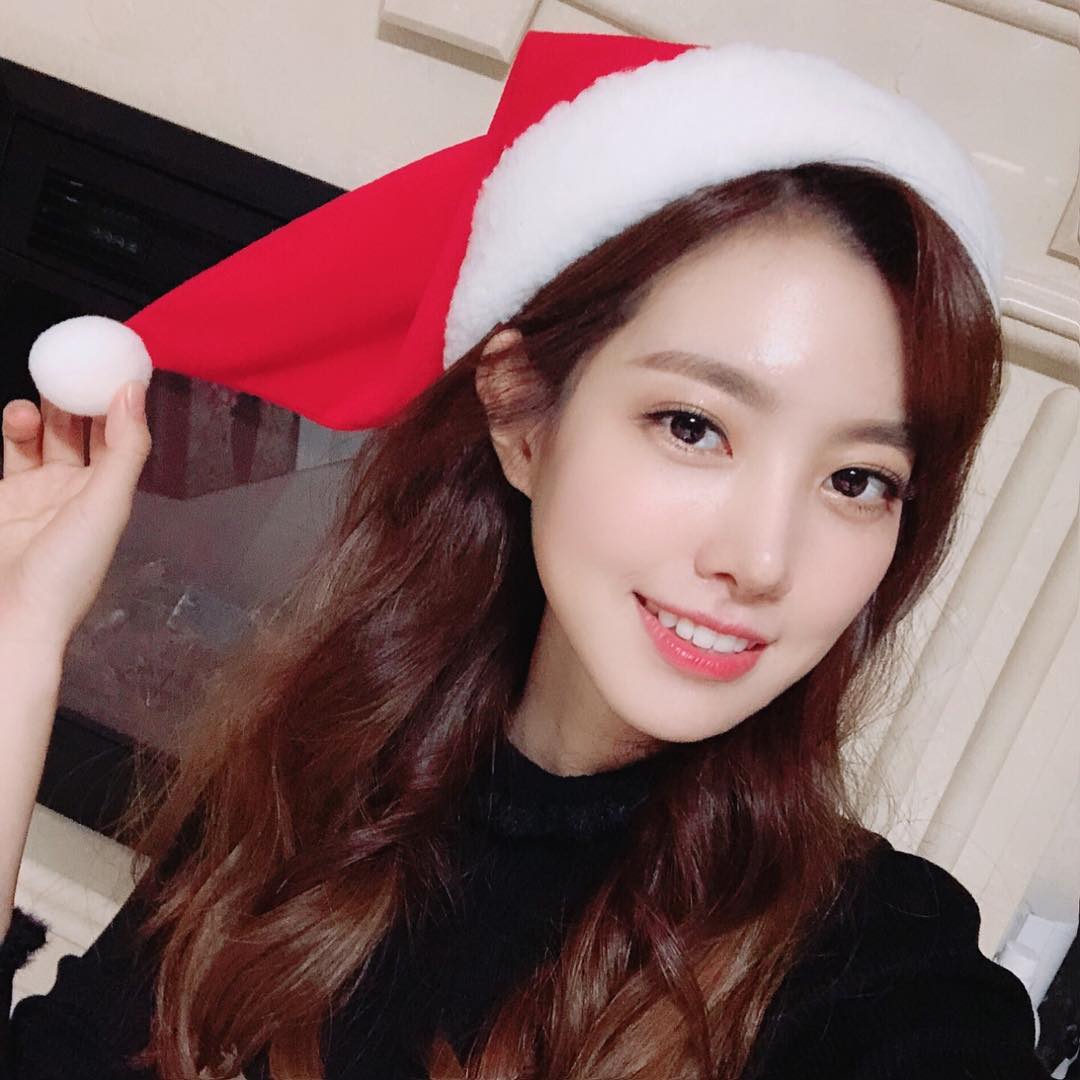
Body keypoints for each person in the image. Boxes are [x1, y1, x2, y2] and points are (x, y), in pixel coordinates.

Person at [0, 28, 1052, 1080]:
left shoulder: (882, 981)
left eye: (858, 480)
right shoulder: (313, 785)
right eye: (694, 426)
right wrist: (19, 636)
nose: (763, 558)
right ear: (520, 414)